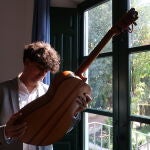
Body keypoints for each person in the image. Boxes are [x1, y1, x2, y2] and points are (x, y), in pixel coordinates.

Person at [0, 41, 92, 150]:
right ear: (26, 62)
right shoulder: (2, 90)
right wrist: (5, 132)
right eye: (39, 68)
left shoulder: (51, 92)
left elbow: (59, 129)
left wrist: (74, 111)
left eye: (47, 71)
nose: (43, 74)